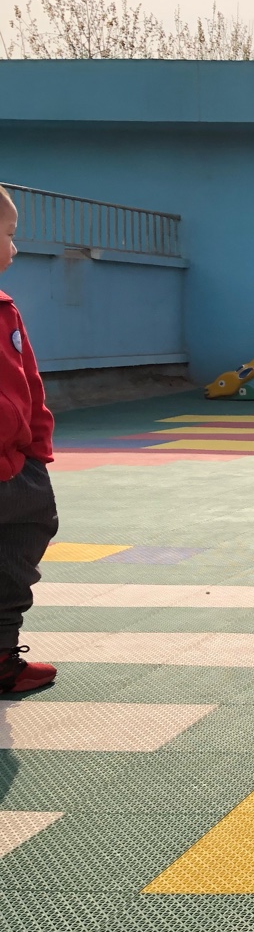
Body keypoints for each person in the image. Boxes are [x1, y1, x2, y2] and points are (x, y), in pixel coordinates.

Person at [0, 185, 60, 695]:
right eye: (9, 234)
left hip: (19, 468)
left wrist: (38, 450)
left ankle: (2, 655)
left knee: (17, 557)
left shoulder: (6, 310)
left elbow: (30, 383)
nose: (15, 247)